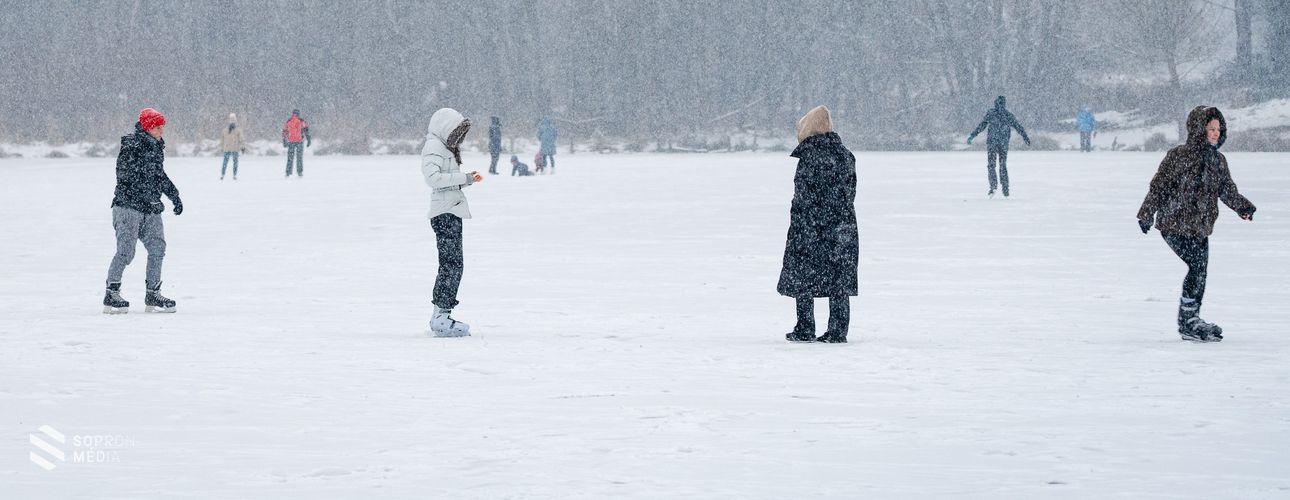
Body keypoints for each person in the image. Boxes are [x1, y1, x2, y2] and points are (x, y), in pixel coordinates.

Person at [1137, 106, 1256, 343]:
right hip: (1174, 223)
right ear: (1198, 129)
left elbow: (1226, 190)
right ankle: (1188, 320)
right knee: (1198, 267)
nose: (1215, 133)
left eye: (1218, 129)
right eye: (1210, 128)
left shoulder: (1218, 160)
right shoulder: (1178, 156)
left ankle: (1190, 319)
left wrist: (1242, 207)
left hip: (1200, 227)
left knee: (1200, 272)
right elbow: (1159, 187)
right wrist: (1146, 213)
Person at [779, 106, 858, 344]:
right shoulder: (845, 154)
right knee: (839, 279)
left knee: (803, 275)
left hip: (811, 226)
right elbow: (849, 192)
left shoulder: (811, 156)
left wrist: (803, 224)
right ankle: (837, 331)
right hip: (842, 225)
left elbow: (804, 197)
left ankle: (805, 327)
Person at [103, 108, 182, 314]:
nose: (162, 130)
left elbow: (158, 176)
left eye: (162, 126)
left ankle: (152, 293)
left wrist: (175, 196)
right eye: (158, 127)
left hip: (151, 208)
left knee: (158, 248)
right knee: (126, 252)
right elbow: (127, 177)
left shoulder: (156, 147)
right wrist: (147, 196)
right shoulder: (132, 147)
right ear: (147, 127)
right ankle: (111, 292)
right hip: (128, 207)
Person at [421, 107, 484, 337]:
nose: (459, 138)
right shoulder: (433, 147)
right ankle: (440, 315)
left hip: (451, 211)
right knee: (451, 264)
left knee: (453, 264)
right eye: (456, 131)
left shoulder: (444, 148)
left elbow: (445, 180)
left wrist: (467, 180)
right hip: (444, 214)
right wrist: (463, 178)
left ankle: (442, 313)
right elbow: (433, 178)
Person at [967, 96, 1030, 197]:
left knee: (992, 165)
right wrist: (1025, 137)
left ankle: (993, 186)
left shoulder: (991, 113)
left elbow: (982, 125)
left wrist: (972, 135)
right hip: (1003, 143)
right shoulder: (1008, 115)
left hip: (992, 143)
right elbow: (1018, 127)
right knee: (1002, 165)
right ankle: (1005, 188)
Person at [282, 109, 311, 178]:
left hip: (291, 141)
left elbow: (284, 131)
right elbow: (306, 130)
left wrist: (284, 141)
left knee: (290, 158)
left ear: (292, 114)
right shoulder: (301, 121)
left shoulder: (288, 121)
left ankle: (288, 172)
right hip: (299, 141)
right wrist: (308, 140)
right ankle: (299, 172)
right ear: (299, 113)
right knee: (299, 158)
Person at [220, 113, 246, 180]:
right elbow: (241, 140)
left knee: (226, 162)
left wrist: (222, 147)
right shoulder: (237, 130)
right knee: (234, 162)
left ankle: (223, 175)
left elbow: (222, 140)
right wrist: (242, 147)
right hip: (234, 148)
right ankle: (233, 175)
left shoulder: (225, 130)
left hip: (228, 148)